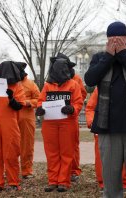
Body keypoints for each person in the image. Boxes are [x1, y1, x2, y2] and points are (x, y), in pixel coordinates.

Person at [84, 21, 126, 198]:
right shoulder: (100, 58)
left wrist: (124, 54)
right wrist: (108, 56)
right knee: (110, 180)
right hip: (108, 126)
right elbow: (90, 80)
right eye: (111, 39)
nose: (115, 42)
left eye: (119, 39)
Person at [36, 57, 83, 192]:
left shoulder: (73, 85)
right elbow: (40, 101)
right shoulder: (47, 86)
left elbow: (78, 103)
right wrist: (40, 109)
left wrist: (72, 109)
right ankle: (53, 181)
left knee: (66, 153)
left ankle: (63, 181)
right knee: (52, 153)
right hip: (50, 123)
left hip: (67, 122)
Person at [0, 61, 26, 192]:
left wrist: (11, 98)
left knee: (11, 154)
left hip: (10, 124)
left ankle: (13, 183)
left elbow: (19, 106)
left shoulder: (18, 87)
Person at [85, 88, 126, 190]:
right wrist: (92, 122)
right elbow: (90, 108)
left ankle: (124, 182)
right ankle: (104, 183)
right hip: (102, 127)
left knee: (125, 155)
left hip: (123, 126)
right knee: (102, 157)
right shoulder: (100, 87)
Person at [54, 53, 87, 182]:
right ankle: (59, 171)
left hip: (70, 116)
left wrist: (73, 107)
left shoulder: (76, 79)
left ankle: (73, 171)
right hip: (55, 118)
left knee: (73, 145)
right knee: (57, 147)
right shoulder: (52, 80)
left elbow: (82, 95)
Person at [14, 62, 40, 179]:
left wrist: (28, 103)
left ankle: (27, 171)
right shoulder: (8, 84)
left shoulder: (31, 84)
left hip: (26, 119)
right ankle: (11, 170)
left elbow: (39, 99)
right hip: (11, 118)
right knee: (11, 145)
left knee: (27, 145)